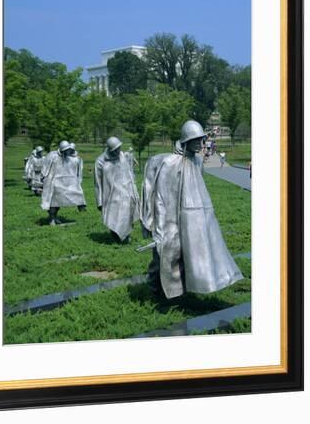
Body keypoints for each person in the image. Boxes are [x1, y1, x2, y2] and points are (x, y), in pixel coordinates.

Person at [141, 120, 243, 299]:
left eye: (201, 139)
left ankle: (181, 291)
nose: (200, 143)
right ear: (186, 140)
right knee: (166, 254)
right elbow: (161, 199)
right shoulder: (171, 163)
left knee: (192, 256)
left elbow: (197, 187)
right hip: (173, 217)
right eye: (195, 139)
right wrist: (160, 229)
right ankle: (156, 290)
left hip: (196, 217)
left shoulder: (197, 161)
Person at [94, 137, 140, 243]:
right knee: (113, 217)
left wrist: (133, 190)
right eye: (115, 150)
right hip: (111, 195)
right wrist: (99, 202)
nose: (118, 151)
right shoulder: (100, 162)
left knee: (128, 213)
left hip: (125, 192)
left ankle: (126, 235)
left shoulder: (122, 156)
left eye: (119, 148)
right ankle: (116, 236)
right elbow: (97, 182)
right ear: (110, 149)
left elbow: (128, 172)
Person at [41, 140, 86, 225]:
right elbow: (45, 167)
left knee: (59, 201)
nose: (67, 152)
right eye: (65, 150)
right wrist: (43, 177)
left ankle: (55, 217)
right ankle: (52, 218)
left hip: (63, 182)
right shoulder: (52, 156)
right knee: (53, 202)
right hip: (53, 182)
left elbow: (73, 168)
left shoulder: (70, 158)